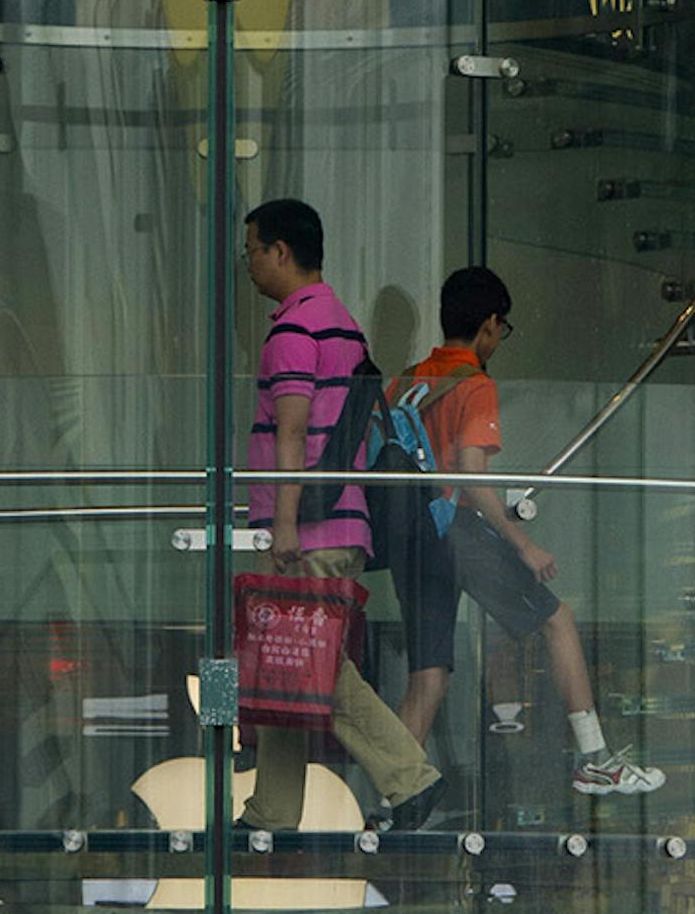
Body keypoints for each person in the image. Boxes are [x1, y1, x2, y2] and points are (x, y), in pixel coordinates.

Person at [384, 264, 663, 801]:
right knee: (558, 620)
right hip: (457, 531)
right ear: (489, 324)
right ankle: (595, 760)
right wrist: (523, 542)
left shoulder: (407, 380)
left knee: (429, 677)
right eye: (502, 328)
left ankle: (384, 796)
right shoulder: (476, 385)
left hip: (412, 537)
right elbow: (469, 474)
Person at [241, 198, 439, 833]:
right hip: (339, 520)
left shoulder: (296, 330)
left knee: (314, 667)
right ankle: (269, 811)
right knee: (289, 665)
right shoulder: (342, 323)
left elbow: (293, 431)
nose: (248, 264)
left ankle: (411, 780)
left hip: (309, 529)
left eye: (252, 250)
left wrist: (285, 526)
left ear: (279, 251)